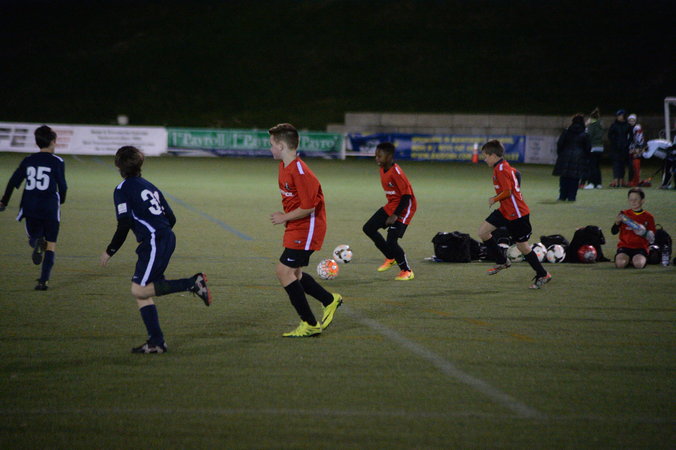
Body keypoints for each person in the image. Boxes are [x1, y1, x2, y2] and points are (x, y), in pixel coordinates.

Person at [100, 146, 212, 354]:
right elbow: (171, 218)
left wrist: (110, 250)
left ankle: (192, 283)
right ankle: (156, 342)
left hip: (154, 241)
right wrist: (160, 231)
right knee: (143, 291)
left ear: (118, 166)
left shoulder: (122, 189)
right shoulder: (150, 186)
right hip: (162, 238)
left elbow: (124, 223)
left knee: (139, 290)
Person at [268, 123, 342, 338]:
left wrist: (283, 217)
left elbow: (309, 207)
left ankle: (309, 323)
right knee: (295, 274)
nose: (270, 148)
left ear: (281, 146)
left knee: (284, 272)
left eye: (272, 144)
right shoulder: (284, 166)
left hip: (308, 227)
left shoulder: (300, 171)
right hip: (296, 226)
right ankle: (330, 300)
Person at [0, 125, 67, 290]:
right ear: (53, 141)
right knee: (51, 244)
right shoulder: (57, 161)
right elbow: (63, 186)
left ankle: (36, 241)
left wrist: (4, 201)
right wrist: (61, 200)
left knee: (33, 236)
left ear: (37, 142)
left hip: (30, 205)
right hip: (50, 207)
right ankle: (43, 282)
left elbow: (13, 182)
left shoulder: (28, 160)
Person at [477, 140, 551, 289]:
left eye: (486, 156)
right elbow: (517, 174)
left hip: (517, 215)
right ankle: (502, 261)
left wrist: (494, 199)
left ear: (493, 155)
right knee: (483, 232)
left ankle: (543, 274)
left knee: (523, 247)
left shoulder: (501, 169)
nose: (484, 159)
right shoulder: (504, 166)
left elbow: (508, 191)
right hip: (505, 211)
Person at [362, 142, 417, 281]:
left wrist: (395, 215)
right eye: (376, 155)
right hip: (392, 205)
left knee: (392, 241)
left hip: (405, 208)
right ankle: (390, 256)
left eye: (380, 156)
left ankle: (407, 271)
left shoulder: (396, 172)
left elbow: (406, 196)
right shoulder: (383, 169)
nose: (377, 158)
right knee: (368, 228)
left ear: (390, 156)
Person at [611, 187, 656, 269]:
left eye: (636, 199)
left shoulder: (648, 217)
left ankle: (636, 260)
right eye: (631, 199)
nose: (633, 202)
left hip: (640, 248)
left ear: (642, 201)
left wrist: (643, 232)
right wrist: (617, 223)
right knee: (620, 264)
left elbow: (652, 238)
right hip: (625, 246)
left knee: (639, 265)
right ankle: (627, 259)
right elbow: (613, 232)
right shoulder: (623, 214)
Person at [553, 114, 591, 201]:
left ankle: (562, 196)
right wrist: (585, 157)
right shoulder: (585, 134)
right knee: (574, 178)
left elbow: (560, 144)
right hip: (579, 157)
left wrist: (561, 154)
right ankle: (572, 197)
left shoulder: (566, 131)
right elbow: (588, 147)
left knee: (564, 177)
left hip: (565, 156)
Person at [607, 109, 632, 187]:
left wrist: (627, 144)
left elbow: (631, 137)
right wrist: (614, 143)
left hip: (624, 149)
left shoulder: (627, 126)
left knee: (622, 165)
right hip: (615, 149)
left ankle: (621, 180)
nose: (619, 117)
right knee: (616, 165)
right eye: (618, 116)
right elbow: (610, 135)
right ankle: (616, 180)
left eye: (621, 115)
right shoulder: (614, 125)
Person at [584, 108, 604, 189]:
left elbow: (589, 135)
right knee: (597, 166)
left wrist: (586, 125)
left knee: (592, 166)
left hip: (593, 147)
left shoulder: (592, 125)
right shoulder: (600, 125)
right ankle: (598, 183)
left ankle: (591, 183)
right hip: (600, 148)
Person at [627, 113, 645, 186]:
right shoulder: (628, 128)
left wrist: (637, 149)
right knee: (631, 166)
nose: (631, 122)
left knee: (635, 165)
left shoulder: (637, 128)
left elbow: (640, 140)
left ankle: (635, 181)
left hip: (636, 149)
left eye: (633, 120)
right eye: (630, 120)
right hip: (630, 149)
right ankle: (631, 180)